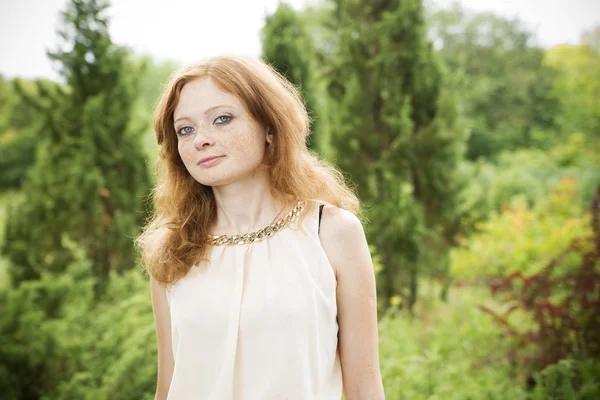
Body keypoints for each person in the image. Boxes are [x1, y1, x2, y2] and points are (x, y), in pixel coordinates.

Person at [136, 54, 385, 400]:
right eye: (185, 129)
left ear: (269, 127)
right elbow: (168, 387)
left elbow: (364, 387)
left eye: (221, 119)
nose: (200, 140)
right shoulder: (172, 249)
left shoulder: (332, 233)